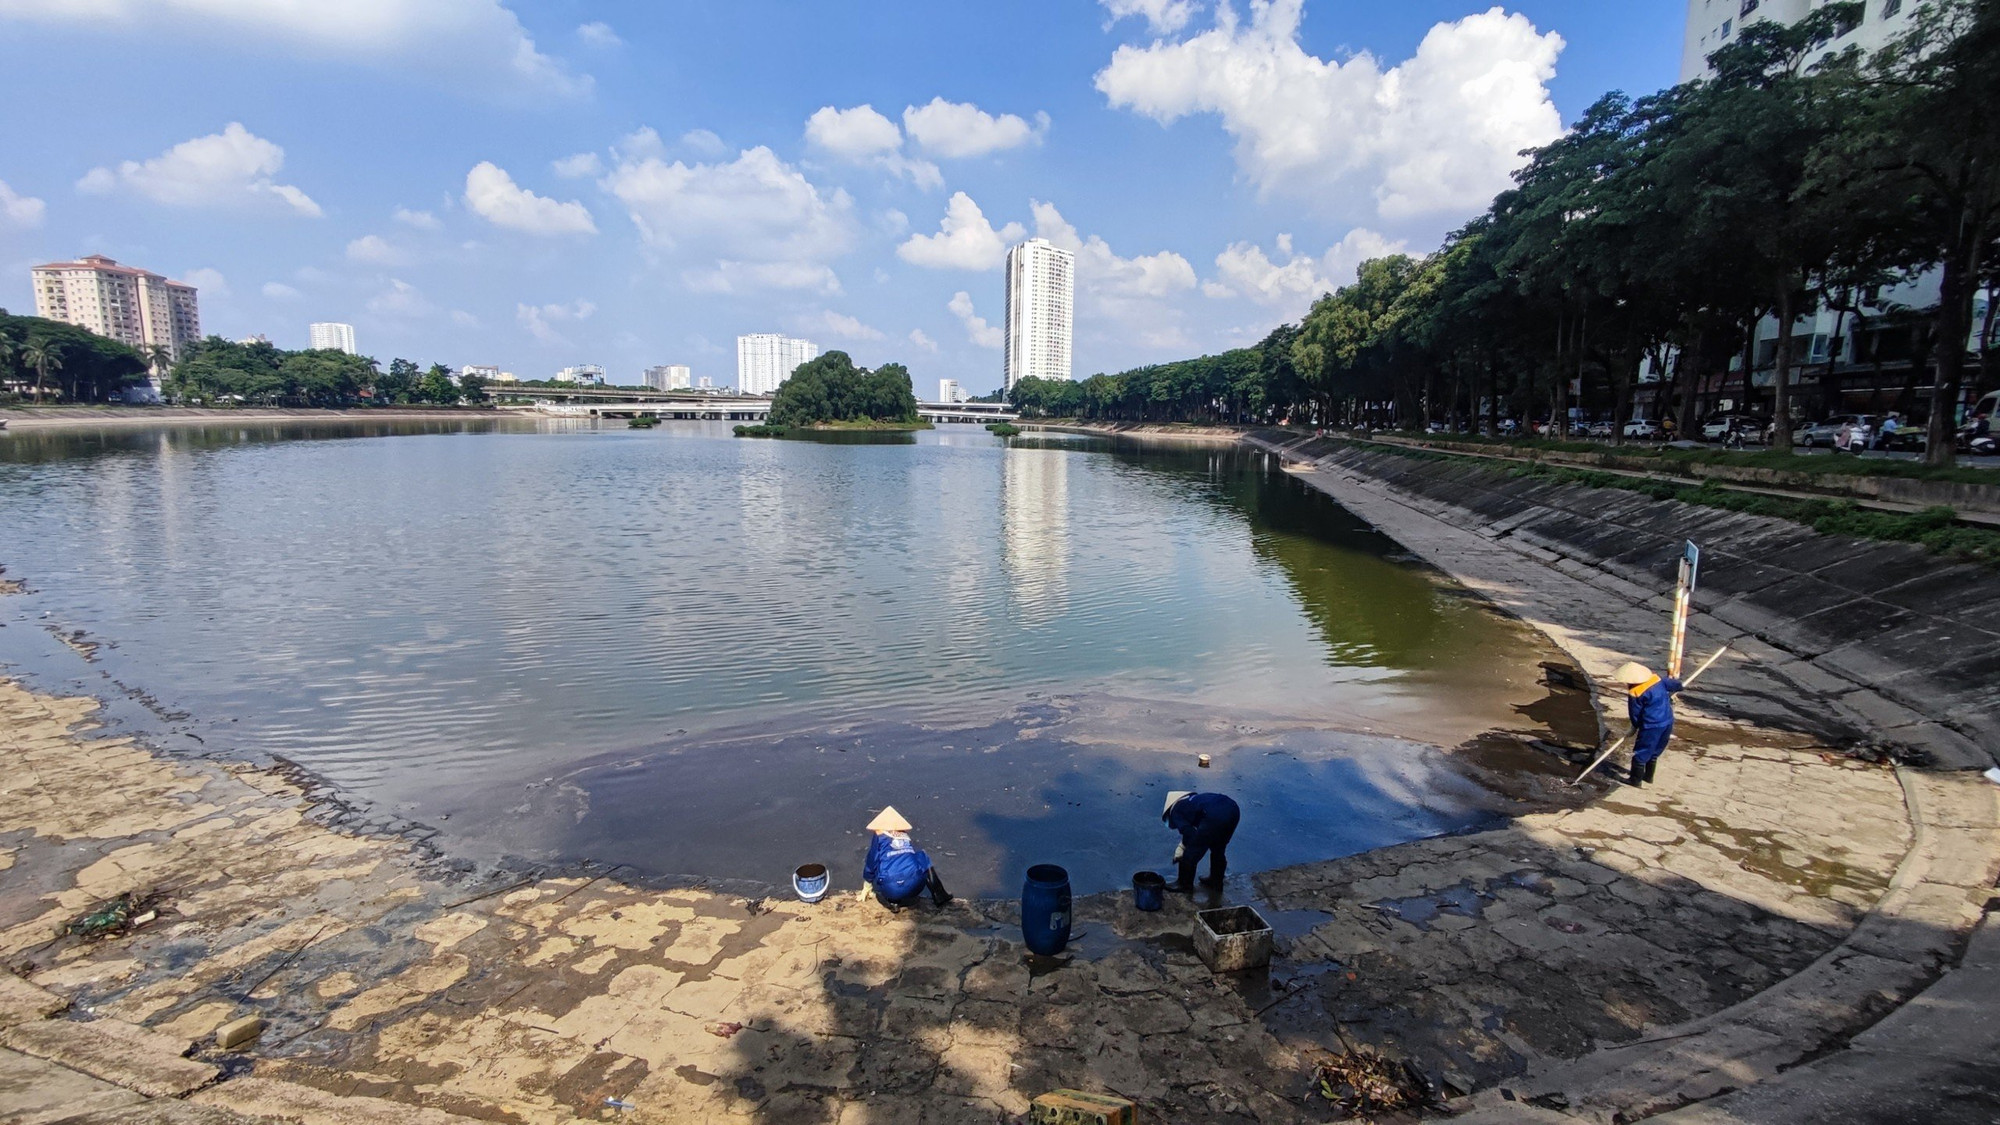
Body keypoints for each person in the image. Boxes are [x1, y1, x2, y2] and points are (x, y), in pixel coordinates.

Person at [860, 806, 951, 910]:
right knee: (922, 856)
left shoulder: (879, 838)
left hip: (891, 889)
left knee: (882, 864)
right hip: (915, 887)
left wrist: (867, 884)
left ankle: (894, 903)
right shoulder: (906, 837)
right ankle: (939, 894)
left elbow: (872, 862)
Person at [1615, 662, 1685, 787]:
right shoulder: (1657, 679)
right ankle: (1648, 777)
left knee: (1641, 751)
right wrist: (1679, 686)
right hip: (1667, 721)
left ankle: (1635, 780)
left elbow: (1635, 713)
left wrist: (1636, 726)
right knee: (1656, 750)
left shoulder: (1636, 691)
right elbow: (1676, 685)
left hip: (1651, 726)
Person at [1161, 790, 1240, 892]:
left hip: (1214, 816)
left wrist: (1183, 848)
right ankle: (1216, 881)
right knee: (1218, 847)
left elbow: (1189, 832)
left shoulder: (1176, 810)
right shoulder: (1194, 800)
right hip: (1232, 810)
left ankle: (1184, 884)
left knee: (1191, 852)